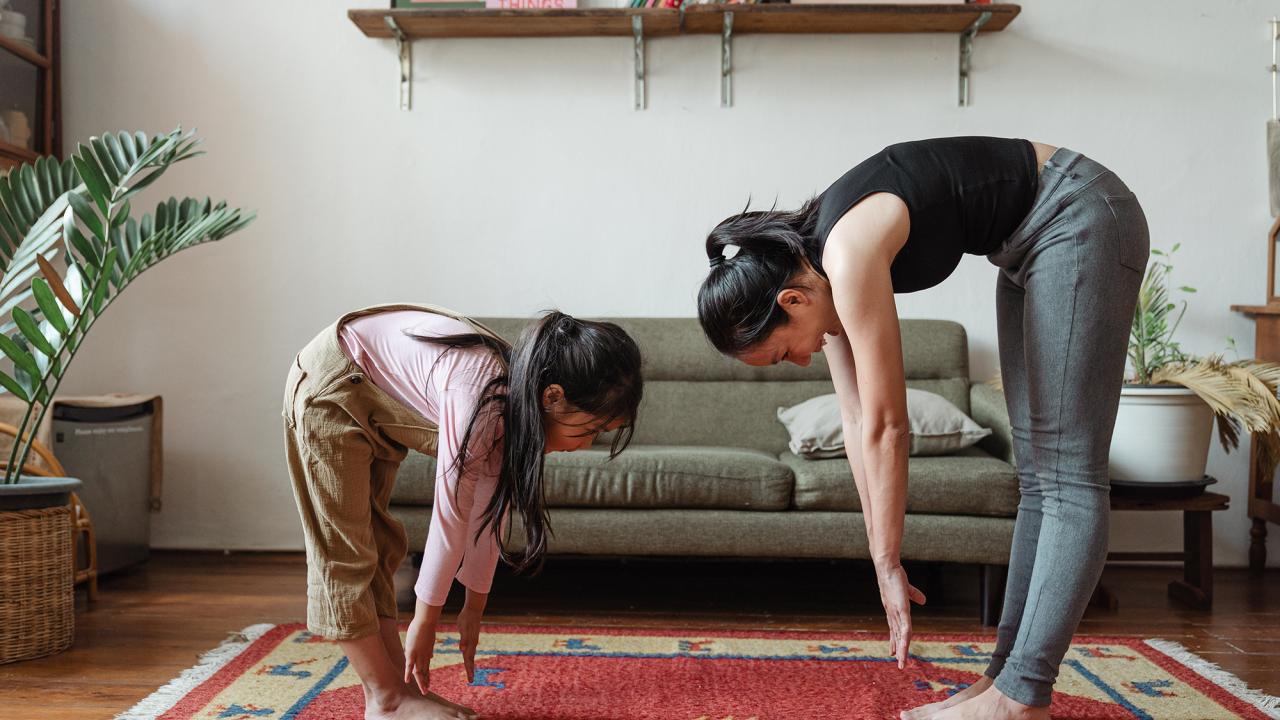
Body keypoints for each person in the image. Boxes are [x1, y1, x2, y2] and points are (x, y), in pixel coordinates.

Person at [695, 137, 1149, 719]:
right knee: (1039, 479)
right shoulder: (818, 278)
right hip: (1024, 243)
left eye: (785, 352)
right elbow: (857, 421)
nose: (801, 362)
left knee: (1068, 475)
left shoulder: (847, 256)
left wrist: (890, 562)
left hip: (1077, 213)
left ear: (791, 300)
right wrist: (878, 555)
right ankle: (1004, 681)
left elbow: (889, 425)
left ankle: (1021, 698)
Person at [283, 305, 643, 720]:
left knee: (379, 546)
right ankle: (387, 698)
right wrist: (425, 619)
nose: (585, 445)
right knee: (344, 552)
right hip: (331, 387)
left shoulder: (517, 403)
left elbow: (486, 509)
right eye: (590, 429)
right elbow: (451, 513)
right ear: (554, 397)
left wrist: (473, 607)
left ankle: (394, 693)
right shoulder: (482, 393)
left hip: (370, 393)